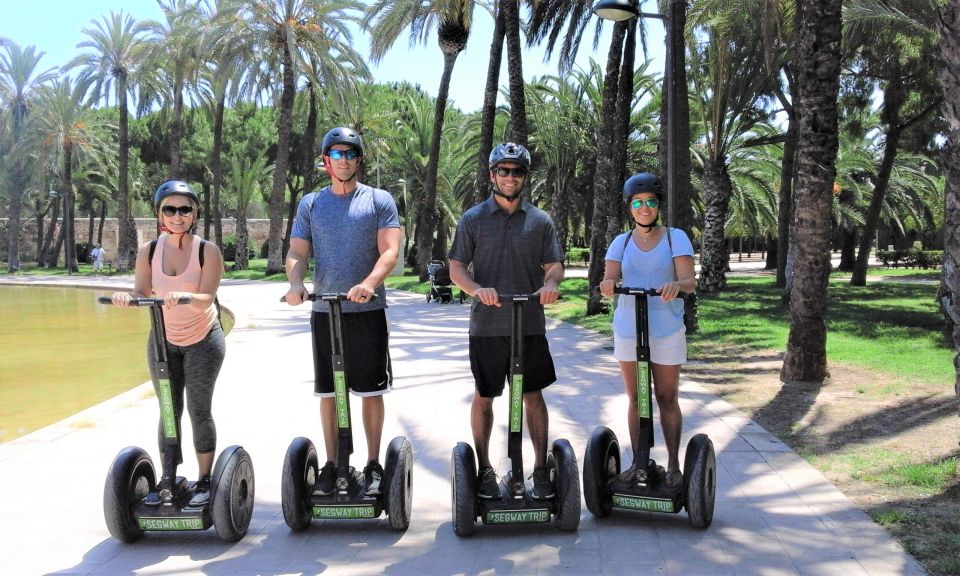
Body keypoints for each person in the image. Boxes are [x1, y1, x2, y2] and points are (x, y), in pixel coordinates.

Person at [284, 126, 401, 497]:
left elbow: (389, 251)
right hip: (324, 311)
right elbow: (297, 252)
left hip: (367, 311)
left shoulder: (379, 200)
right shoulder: (311, 204)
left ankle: (372, 463)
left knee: (369, 390)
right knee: (330, 392)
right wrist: (295, 283)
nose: (344, 160)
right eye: (337, 154)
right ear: (326, 161)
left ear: (359, 159)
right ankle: (334, 464)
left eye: (350, 154)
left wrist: (369, 283)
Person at [448, 142, 565, 501]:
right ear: (491, 175)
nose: (510, 177)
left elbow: (554, 266)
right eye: (504, 170)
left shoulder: (540, 220)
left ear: (524, 177)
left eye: (517, 171)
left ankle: (541, 469)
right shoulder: (473, 219)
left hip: (529, 323)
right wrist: (476, 289)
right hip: (487, 326)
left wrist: (550, 285)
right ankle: (484, 469)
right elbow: (456, 269)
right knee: (485, 396)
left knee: (532, 395)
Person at [110, 180, 226, 507]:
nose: (178, 215)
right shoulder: (149, 251)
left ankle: (204, 480)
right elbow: (141, 291)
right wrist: (126, 297)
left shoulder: (208, 251)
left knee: (198, 411)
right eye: (170, 209)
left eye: (184, 209)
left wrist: (186, 296)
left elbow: (207, 298)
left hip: (203, 340)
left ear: (195, 213)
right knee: (168, 411)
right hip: (162, 341)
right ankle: (168, 477)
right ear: (160, 213)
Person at [598, 172, 696, 490]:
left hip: (666, 329)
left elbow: (689, 282)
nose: (644, 208)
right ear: (630, 207)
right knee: (637, 398)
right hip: (629, 329)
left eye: (650, 202)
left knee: (666, 397)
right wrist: (609, 285)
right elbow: (609, 279)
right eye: (638, 202)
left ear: (658, 206)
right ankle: (639, 464)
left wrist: (675, 285)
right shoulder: (620, 242)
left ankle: (673, 466)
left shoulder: (675, 238)